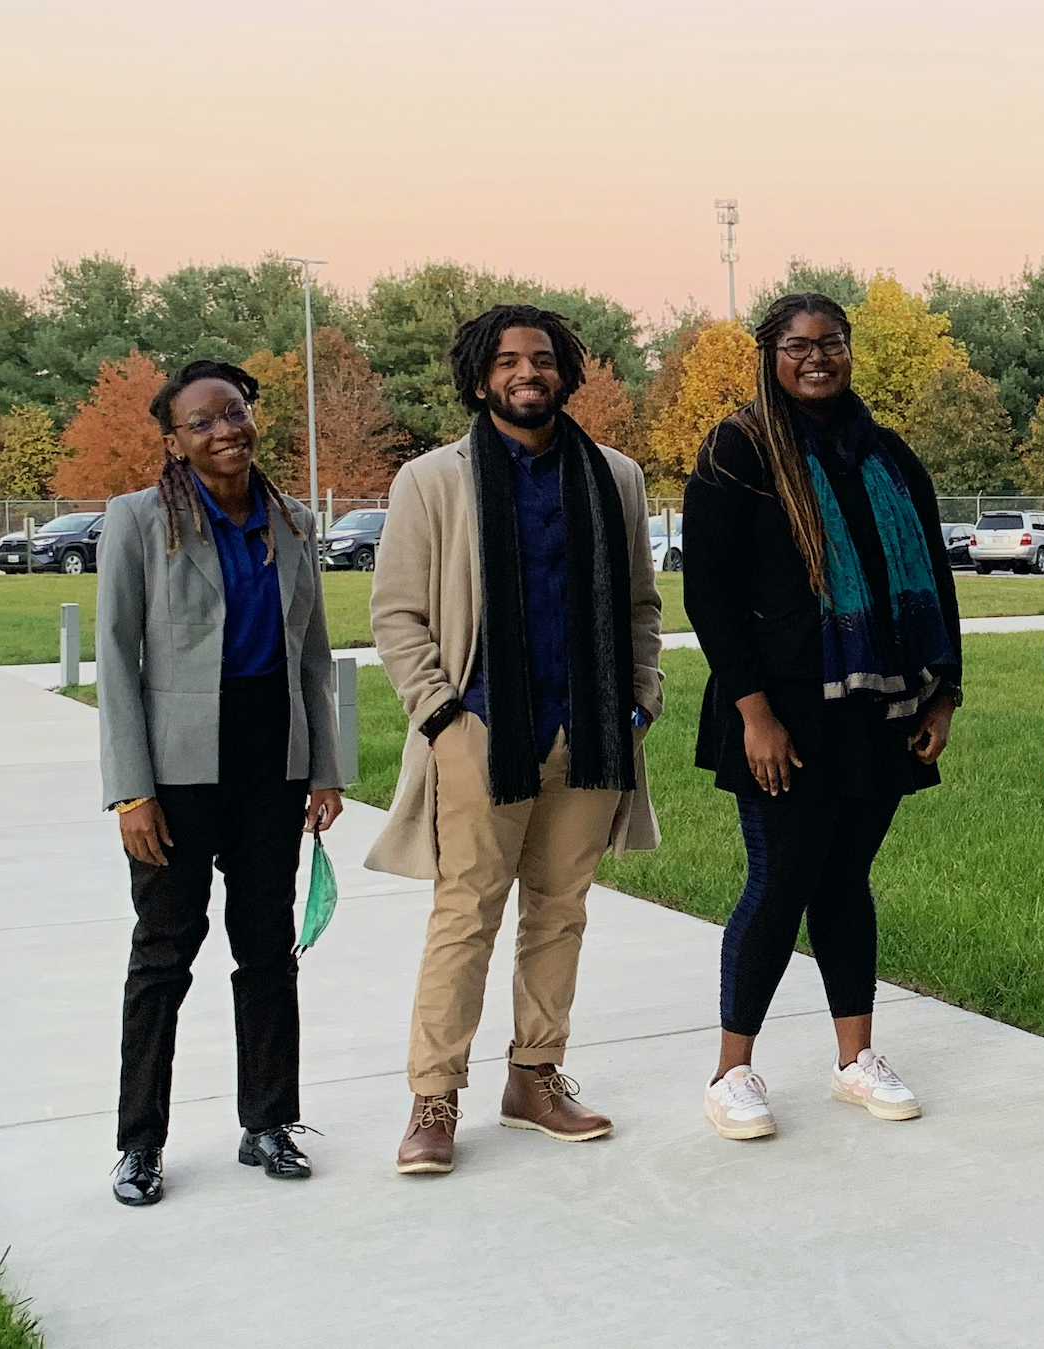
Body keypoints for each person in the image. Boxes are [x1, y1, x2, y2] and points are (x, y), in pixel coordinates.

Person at [367, 305, 665, 1176]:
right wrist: (442, 717)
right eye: (507, 360)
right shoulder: (433, 479)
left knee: (561, 911)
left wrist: (639, 699)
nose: (526, 371)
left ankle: (534, 1076)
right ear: (478, 377)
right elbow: (397, 614)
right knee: (466, 913)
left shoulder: (615, 476)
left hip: (591, 732)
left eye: (541, 358)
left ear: (566, 372)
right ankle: (433, 1094)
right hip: (483, 730)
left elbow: (642, 606)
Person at [683, 293, 961, 1141]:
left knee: (844, 880)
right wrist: (754, 711)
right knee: (780, 881)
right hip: (781, 710)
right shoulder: (739, 449)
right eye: (797, 345)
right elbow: (709, 593)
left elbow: (934, 576)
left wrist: (943, 693)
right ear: (768, 355)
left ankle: (854, 1060)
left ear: (849, 350)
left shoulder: (883, 450)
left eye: (830, 343)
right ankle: (731, 1071)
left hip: (875, 707)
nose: (816, 357)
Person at [98, 359, 345, 1206]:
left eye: (233, 413)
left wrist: (323, 768)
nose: (223, 430)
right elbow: (117, 663)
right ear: (173, 439)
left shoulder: (290, 519)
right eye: (201, 421)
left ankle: (268, 1121)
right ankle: (139, 1142)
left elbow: (310, 654)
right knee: (163, 957)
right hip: (174, 772)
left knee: (267, 951)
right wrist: (131, 791)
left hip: (270, 763)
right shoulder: (137, 521)